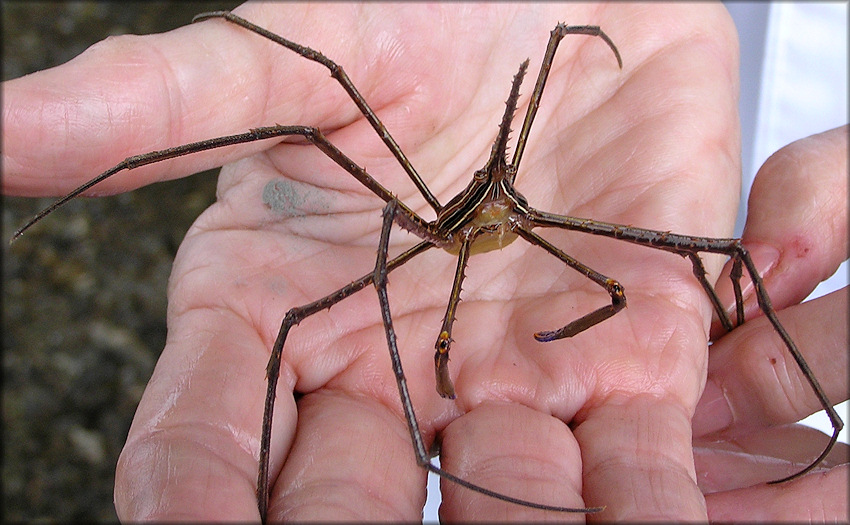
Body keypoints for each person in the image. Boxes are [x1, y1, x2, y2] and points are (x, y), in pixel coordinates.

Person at [3, 3, 846, 521]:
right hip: (448, 221)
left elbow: (684, 259)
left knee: (711, 253)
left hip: (544, 201)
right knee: (309, 311)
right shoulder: (410, 221)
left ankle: (829, 422)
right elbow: (315, 104)